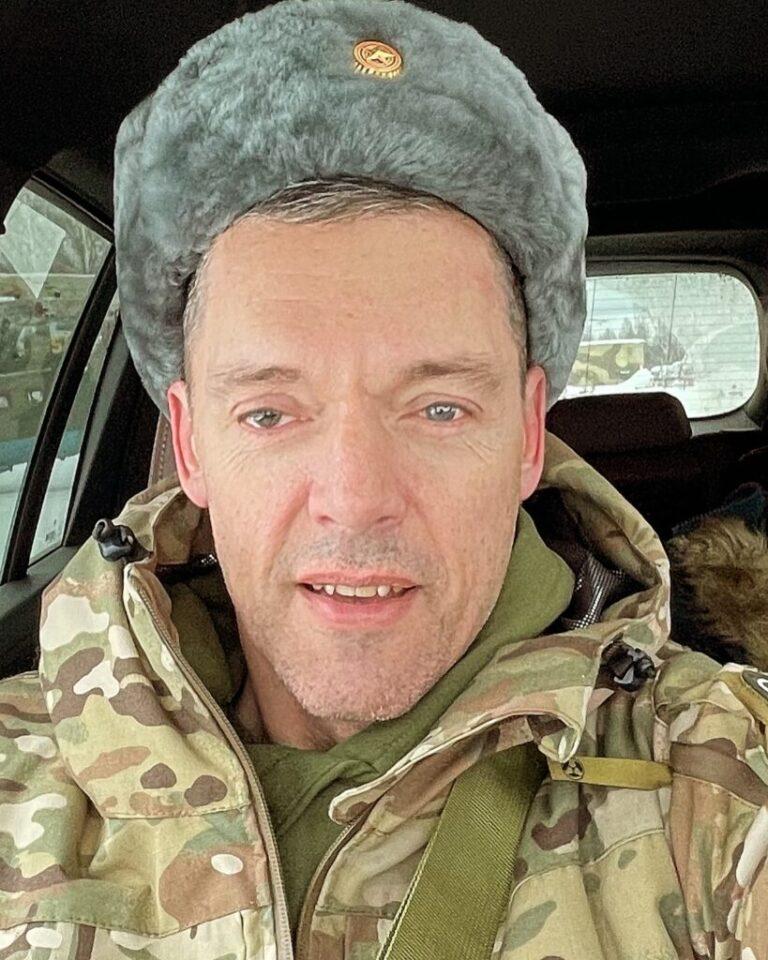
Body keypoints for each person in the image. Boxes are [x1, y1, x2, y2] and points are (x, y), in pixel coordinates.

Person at [1, 1, 767, 957]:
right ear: (190, 447)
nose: (356, 498)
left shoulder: (718, 781)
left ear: (528, 437)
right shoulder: (24, 771)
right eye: (270, 414)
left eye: (438, 409)